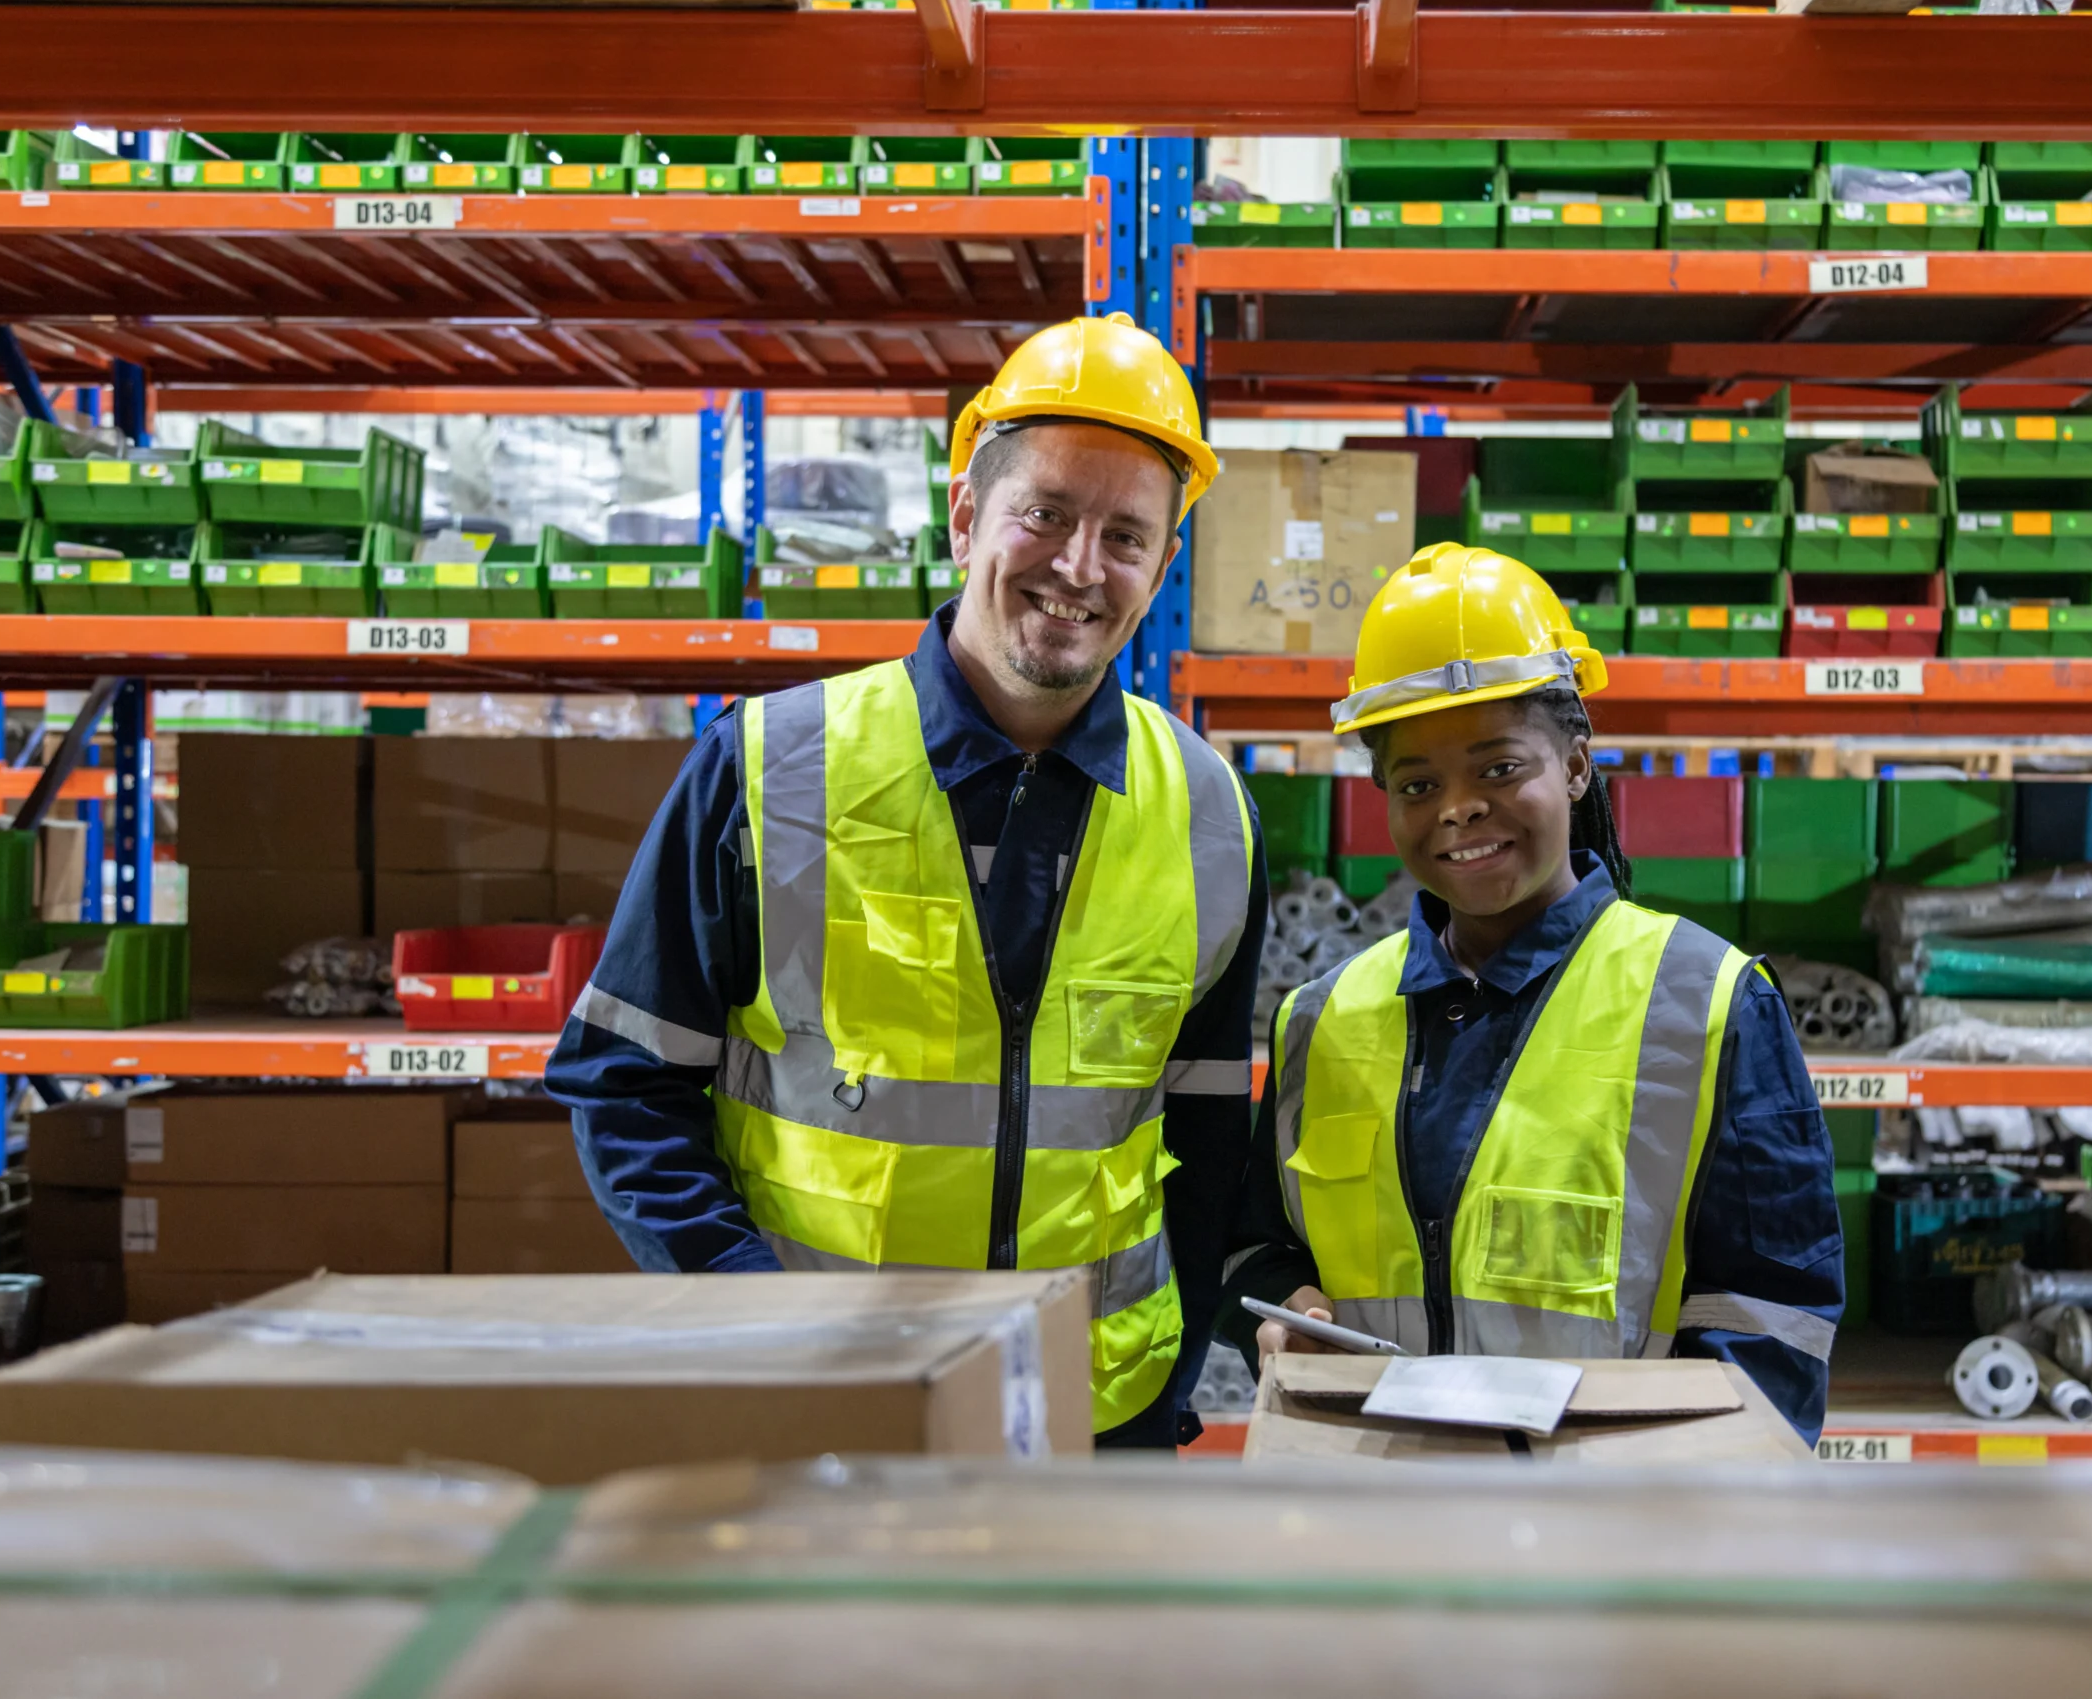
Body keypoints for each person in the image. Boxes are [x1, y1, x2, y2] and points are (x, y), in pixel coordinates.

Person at [546, 313, 1268, 1449]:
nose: (1080, 568)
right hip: (820, 1408)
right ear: (966, 512)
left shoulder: (1208, 813)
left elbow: (1207, 1130)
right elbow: (623, 1084)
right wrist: (761, 1326)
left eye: (1127, 536)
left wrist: (1166, 1380)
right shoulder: (768, 767)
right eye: (1045, 514)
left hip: (1096, 1417)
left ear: (1164, 563)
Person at [1216, 544, 1842, 1444]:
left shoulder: (1709, 1004)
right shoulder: (1322, 1018)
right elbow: (1255, 1246)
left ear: (1577, 766)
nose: (1458, 809)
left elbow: (1773, 1315)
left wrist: (1689, 1502)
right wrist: (1280, 1305)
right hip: (1379, 1510)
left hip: (1607, 1536)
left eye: (1500, 767)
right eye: (1418, 783)